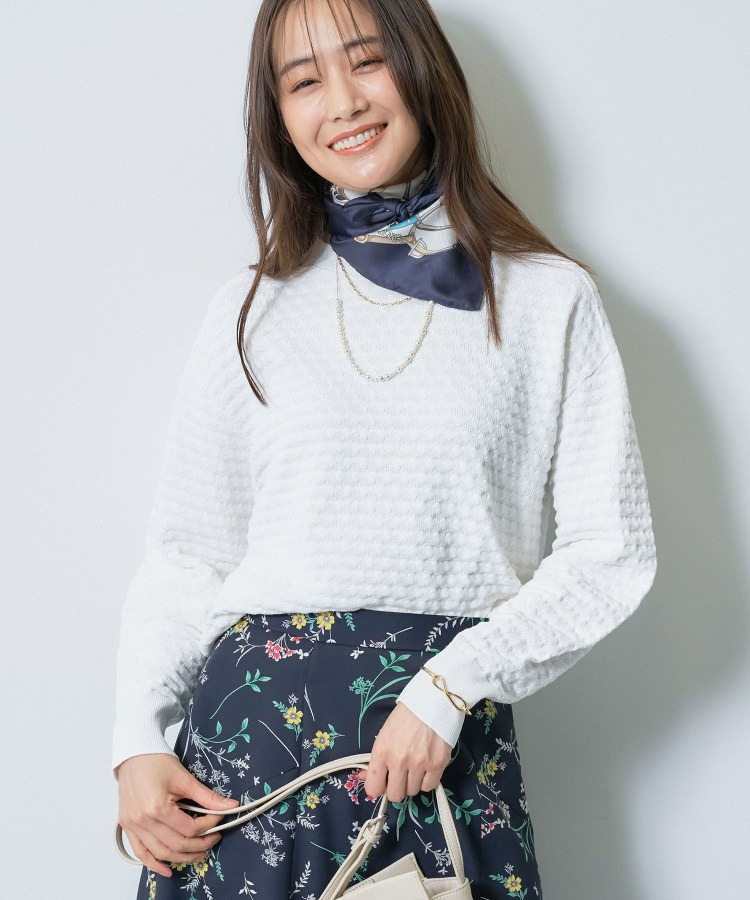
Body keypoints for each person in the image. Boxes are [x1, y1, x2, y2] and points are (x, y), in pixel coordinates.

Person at [113, 0, 657, 897]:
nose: (343, 102)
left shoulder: (550, 300)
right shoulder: (250, 310)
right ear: (279, 118)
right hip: (240, 768)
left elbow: (610, 555)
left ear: (422, 68)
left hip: (433, 761)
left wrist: (451, 687)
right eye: (303, 81)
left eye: (367, 61)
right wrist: (136, 741)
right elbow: (186, 558)